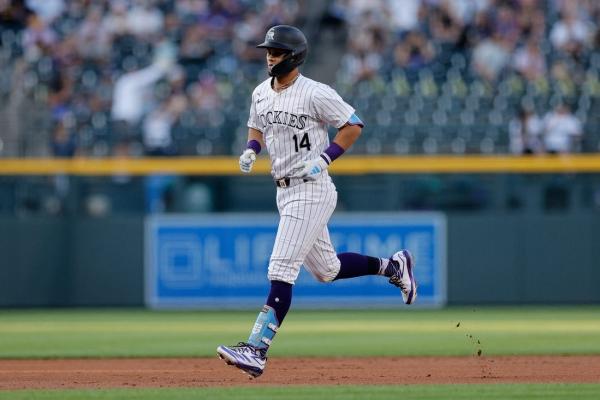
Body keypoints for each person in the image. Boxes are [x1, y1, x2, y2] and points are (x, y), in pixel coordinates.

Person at [216, 25, 417, 379]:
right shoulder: (261, 92)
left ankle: (257, 349)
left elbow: (353, 125)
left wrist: (326, 158)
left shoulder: (315, 92)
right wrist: (250, 149)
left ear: (293, 56)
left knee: (280, 268)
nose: (269, 56)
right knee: (328, 270)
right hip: (284, 190)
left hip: (311, 189)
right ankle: (393, 266)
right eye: (268, 50)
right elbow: (256, 126)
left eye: (276, 52)